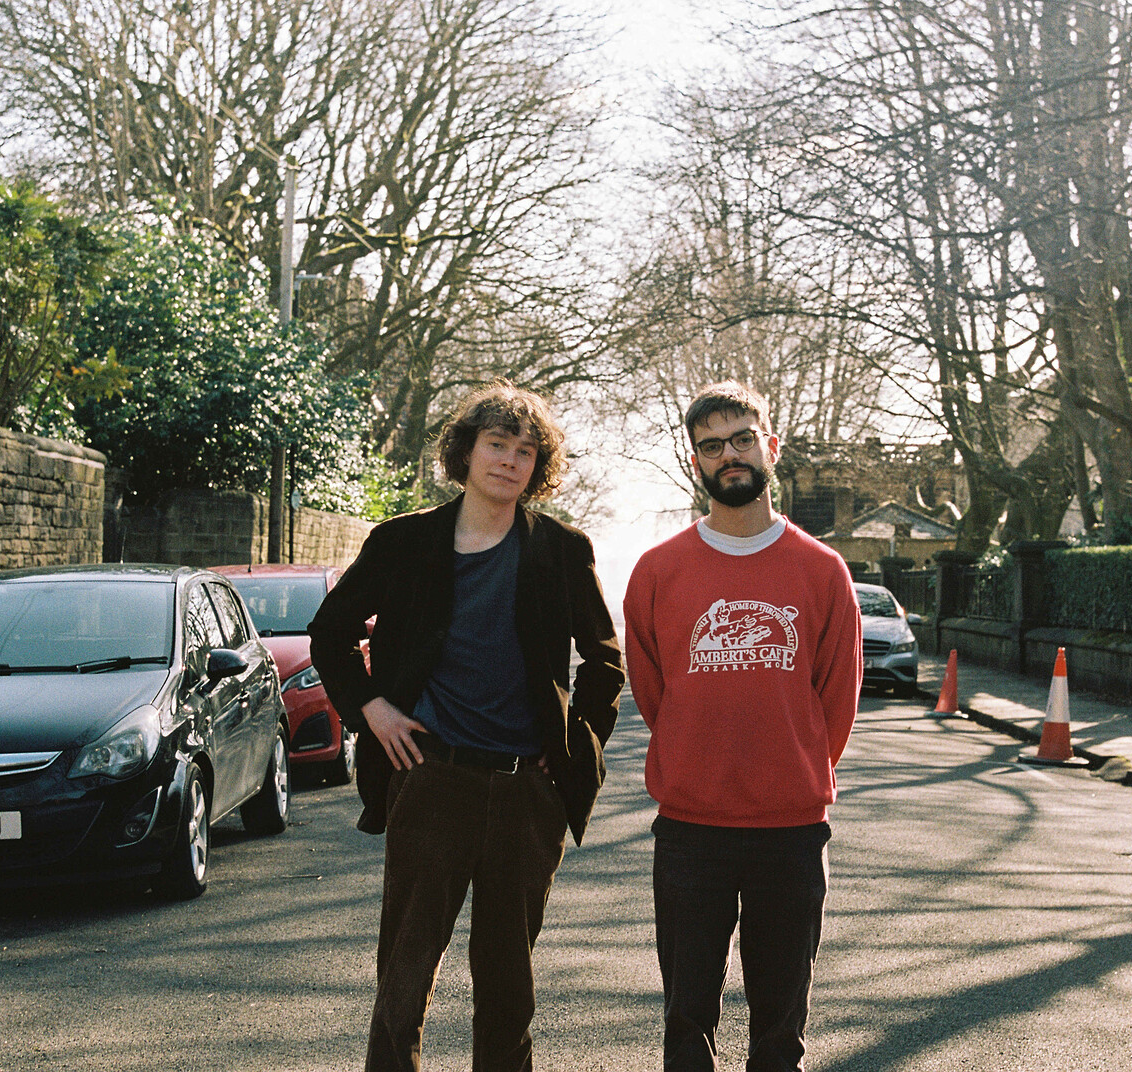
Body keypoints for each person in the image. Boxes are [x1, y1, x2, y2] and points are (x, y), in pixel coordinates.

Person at [308, 382, 625, 1072]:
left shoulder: (562, 549)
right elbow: (330, 633)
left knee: (509, 982)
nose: (508, 461)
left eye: (524, 451)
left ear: (537, 467)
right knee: (404, 972)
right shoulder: (404, 542)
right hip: (429, 779)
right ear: (466, 451)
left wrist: (573, 746)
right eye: (496, 444)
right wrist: (371, 706)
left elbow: (605, 664)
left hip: (524, 794)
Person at [623, 381, 862, 1072]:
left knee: (780, 1023)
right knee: (687, 1017)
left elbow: (834, 701)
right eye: (710, 446)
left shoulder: (821, 571)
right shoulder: (657, 571)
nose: (728, 455)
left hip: (789, 829)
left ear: (769, 447)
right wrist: (694, 760)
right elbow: (653, 690)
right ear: (693, 461)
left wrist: (791, 772)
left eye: (740, 440)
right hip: (691, 829)